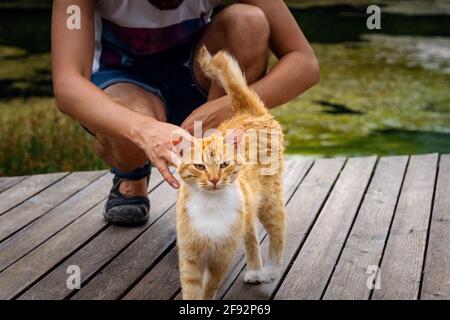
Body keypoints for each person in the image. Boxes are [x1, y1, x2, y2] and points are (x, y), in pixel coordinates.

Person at [51, 0, 320, 226]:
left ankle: (208, 190)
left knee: (249, 22)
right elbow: (67, 84)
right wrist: (145, 130)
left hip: (194, 73)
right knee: (128, 142)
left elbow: (304, 63)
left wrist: (227, 106)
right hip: (123, 81)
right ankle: (131, 172)